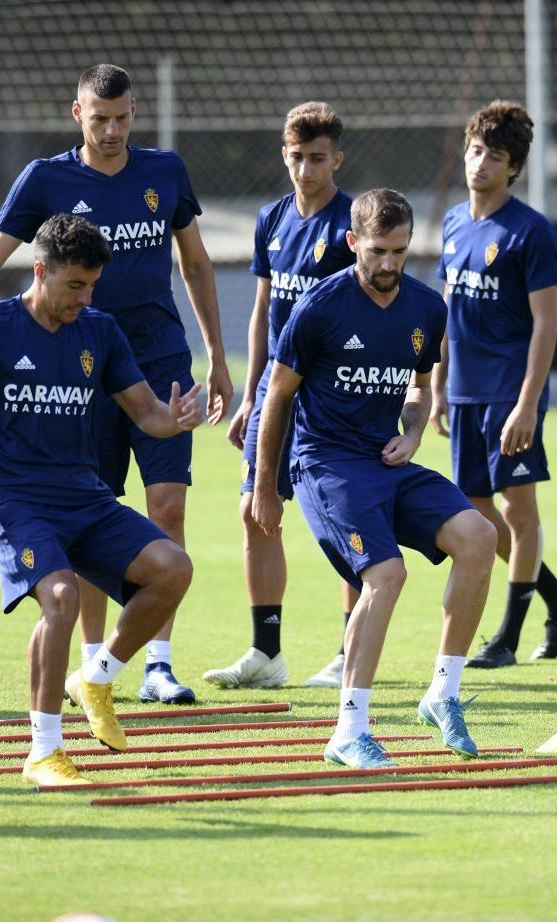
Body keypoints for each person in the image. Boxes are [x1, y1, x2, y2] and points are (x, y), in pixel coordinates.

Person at [0, 63, 233, 705]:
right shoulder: (46, 178)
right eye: (99, 118)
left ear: (134, 113)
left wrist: (217, 359)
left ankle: (154, 665)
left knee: (168, 504)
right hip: (78, 366)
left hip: (158, 359)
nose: (111, 130)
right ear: (77, 114)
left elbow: (196, 265)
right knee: (97, 508)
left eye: (121, 118)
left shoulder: (164, 172)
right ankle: (89, 659)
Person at [0, 214, 203, 786]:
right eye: (75, 284)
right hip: (20, 501)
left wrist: (175, 421)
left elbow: (146, 413)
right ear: (40, 270)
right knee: (62, 596)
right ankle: (44, 752)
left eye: (92, 285)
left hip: (86, 496)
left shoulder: (99, 330)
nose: (85, 297)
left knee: (172, 568)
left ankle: (95, 676)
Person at [252, 189, 498, 768]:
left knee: (480, 537)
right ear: (352, 242)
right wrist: (266, 487)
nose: (389, 264)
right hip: (324, 463)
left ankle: (443, 691)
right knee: (386, 574)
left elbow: (419, 387)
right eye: (379, 251)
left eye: (400, 251)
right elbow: (276, 398)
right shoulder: (319, 306)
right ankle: (348, 728)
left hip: (387, 460)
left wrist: (412, 433)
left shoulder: (425, 307)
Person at [431, 100, 557, 669]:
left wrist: (527, 404)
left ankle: (506, 638)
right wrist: (436, 381)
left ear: (513, 168)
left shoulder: (530, 231)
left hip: (509, 391)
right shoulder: (453, 223)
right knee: (476, 511)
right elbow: (446, 310)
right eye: (475, 151)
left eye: (494, 156)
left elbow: (545, 323)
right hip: (464, 392)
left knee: (517, 511)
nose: (479, 163)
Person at [203, 101, 359, 692]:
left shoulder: (352, 222)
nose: (305, 168)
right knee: (255, 510)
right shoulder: (271, 218)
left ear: (336, 158)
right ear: (283, 154)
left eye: (317, 158)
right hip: (274, 390)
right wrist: (249, 394)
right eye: (296, 157)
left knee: (346, 516)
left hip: (331, 395)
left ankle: (350, 648)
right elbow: (265, 308)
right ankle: (266, 651)